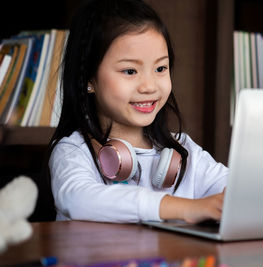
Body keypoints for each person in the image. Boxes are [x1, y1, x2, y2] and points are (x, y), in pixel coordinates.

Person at [47, 0, 228, 223]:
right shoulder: (73, 151)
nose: (149, 86)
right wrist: (184, 208)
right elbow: (77, 199)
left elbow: (236, 191)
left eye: (160, 68)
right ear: (88, 79)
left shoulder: (185, 151)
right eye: (130, 71)